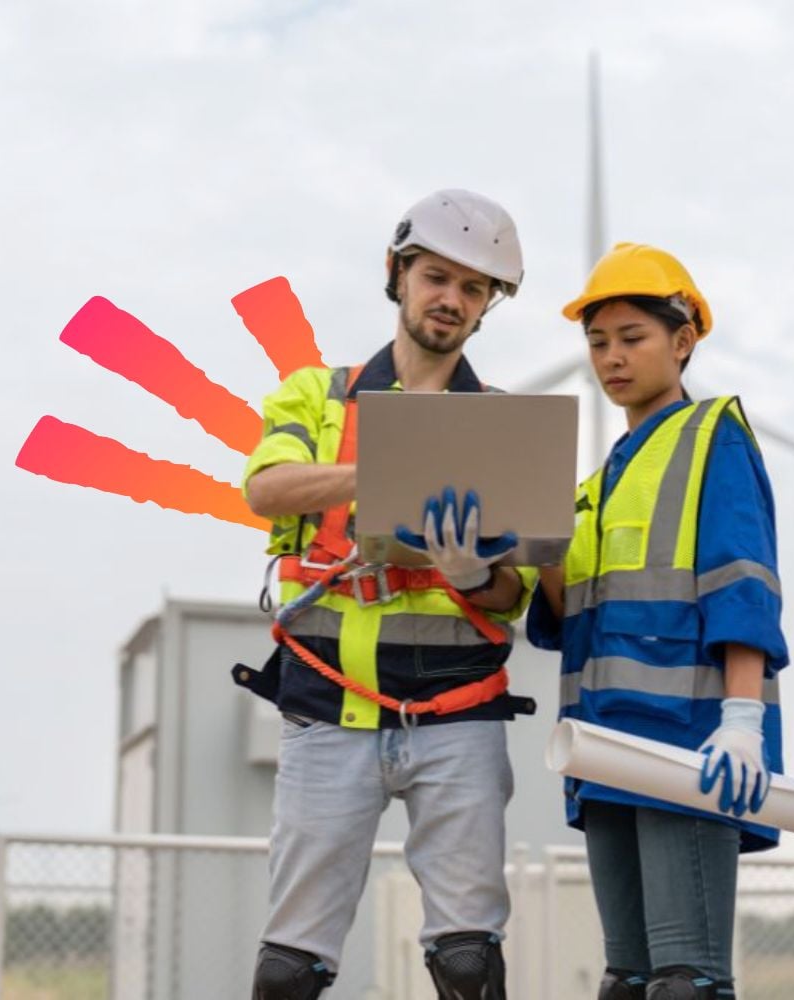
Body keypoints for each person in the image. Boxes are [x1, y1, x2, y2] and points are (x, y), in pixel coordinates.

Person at [235, 189, 535, 1000]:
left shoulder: (506, 426)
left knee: (470, 962)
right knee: (289, 969)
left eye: (475, 289)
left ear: (487, 307)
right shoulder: (317, 396)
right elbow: (267, 489)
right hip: (328, 710)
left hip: (459, 717)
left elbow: (517, 592)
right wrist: (389, 470)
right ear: (399, 275)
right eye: (437, 277)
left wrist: (479, 575)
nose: (452, 300)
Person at [528, 242, 789, 1000]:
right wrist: (532, 543)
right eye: (597, 341)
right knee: (629, 982)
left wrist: (743, 719)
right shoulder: (598, 482)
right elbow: (563, 615)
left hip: (690, 746)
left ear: (683, 340)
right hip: (603, 748)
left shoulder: (713, 438)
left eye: (631, 338)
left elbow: (744, 582)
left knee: (685, 984)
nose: (611, 357)